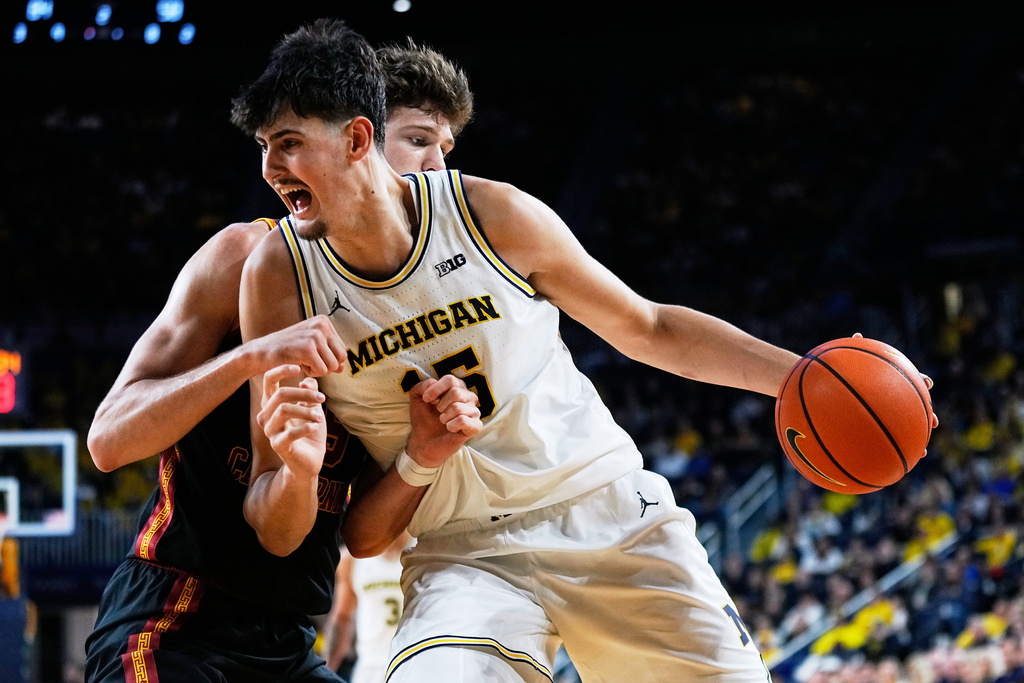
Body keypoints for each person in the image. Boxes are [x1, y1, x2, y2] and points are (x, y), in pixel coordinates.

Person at [233, 18, 937, 683]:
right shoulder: (276, 275)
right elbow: (347, 531)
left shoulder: (491, 215)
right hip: (464, 555)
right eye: (267, 147)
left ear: (355, 139)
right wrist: (376, 461)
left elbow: (649, 326)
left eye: (286, 143)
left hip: (605, 510)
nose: (269, 167)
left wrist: (806, 376)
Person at [83, 35, 477, 683]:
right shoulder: (241, 257)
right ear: (363, 142)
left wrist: (422, 457)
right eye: (419, 140)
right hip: (178, 614)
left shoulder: (426, 313)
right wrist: (246, 358)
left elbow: (361, 536)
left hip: (291, 641)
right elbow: (107, 440)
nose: (438, 167)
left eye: (446, 147)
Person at [323, 531, 414, 681]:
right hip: (369, 667)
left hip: (413, 662)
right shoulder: (352, 558)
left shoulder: (424, 550)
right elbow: (342, 618)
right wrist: (327, 668)